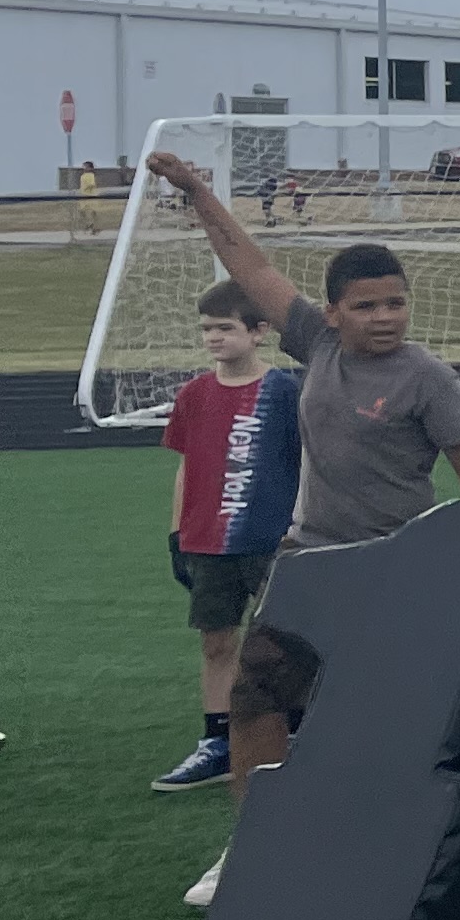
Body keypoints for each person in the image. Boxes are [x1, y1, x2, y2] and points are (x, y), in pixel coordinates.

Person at [141, 151, 460, 910]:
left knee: (387, 721)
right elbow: (249, 262)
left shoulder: (428, 378)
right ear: (332, 314)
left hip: (397, 569)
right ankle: (257, 845)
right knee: (256, 697)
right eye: (367, 306)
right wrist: (200, 192)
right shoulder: (316, 344)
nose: (385, 318)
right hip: (310, 564)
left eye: (396, 303)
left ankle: (398, 843)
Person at [152, 281, 283, 799]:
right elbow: (188, 465)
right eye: (207, 329)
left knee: (282, 642)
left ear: (259, 332)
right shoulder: (195, 395)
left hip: (270, 539)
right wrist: (176, 532)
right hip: (208, 541)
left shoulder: (284, 393)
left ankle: (294, 727)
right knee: (216, 641)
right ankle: (217, 741)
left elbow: (305, 464)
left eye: (225, 328)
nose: (213, 338)